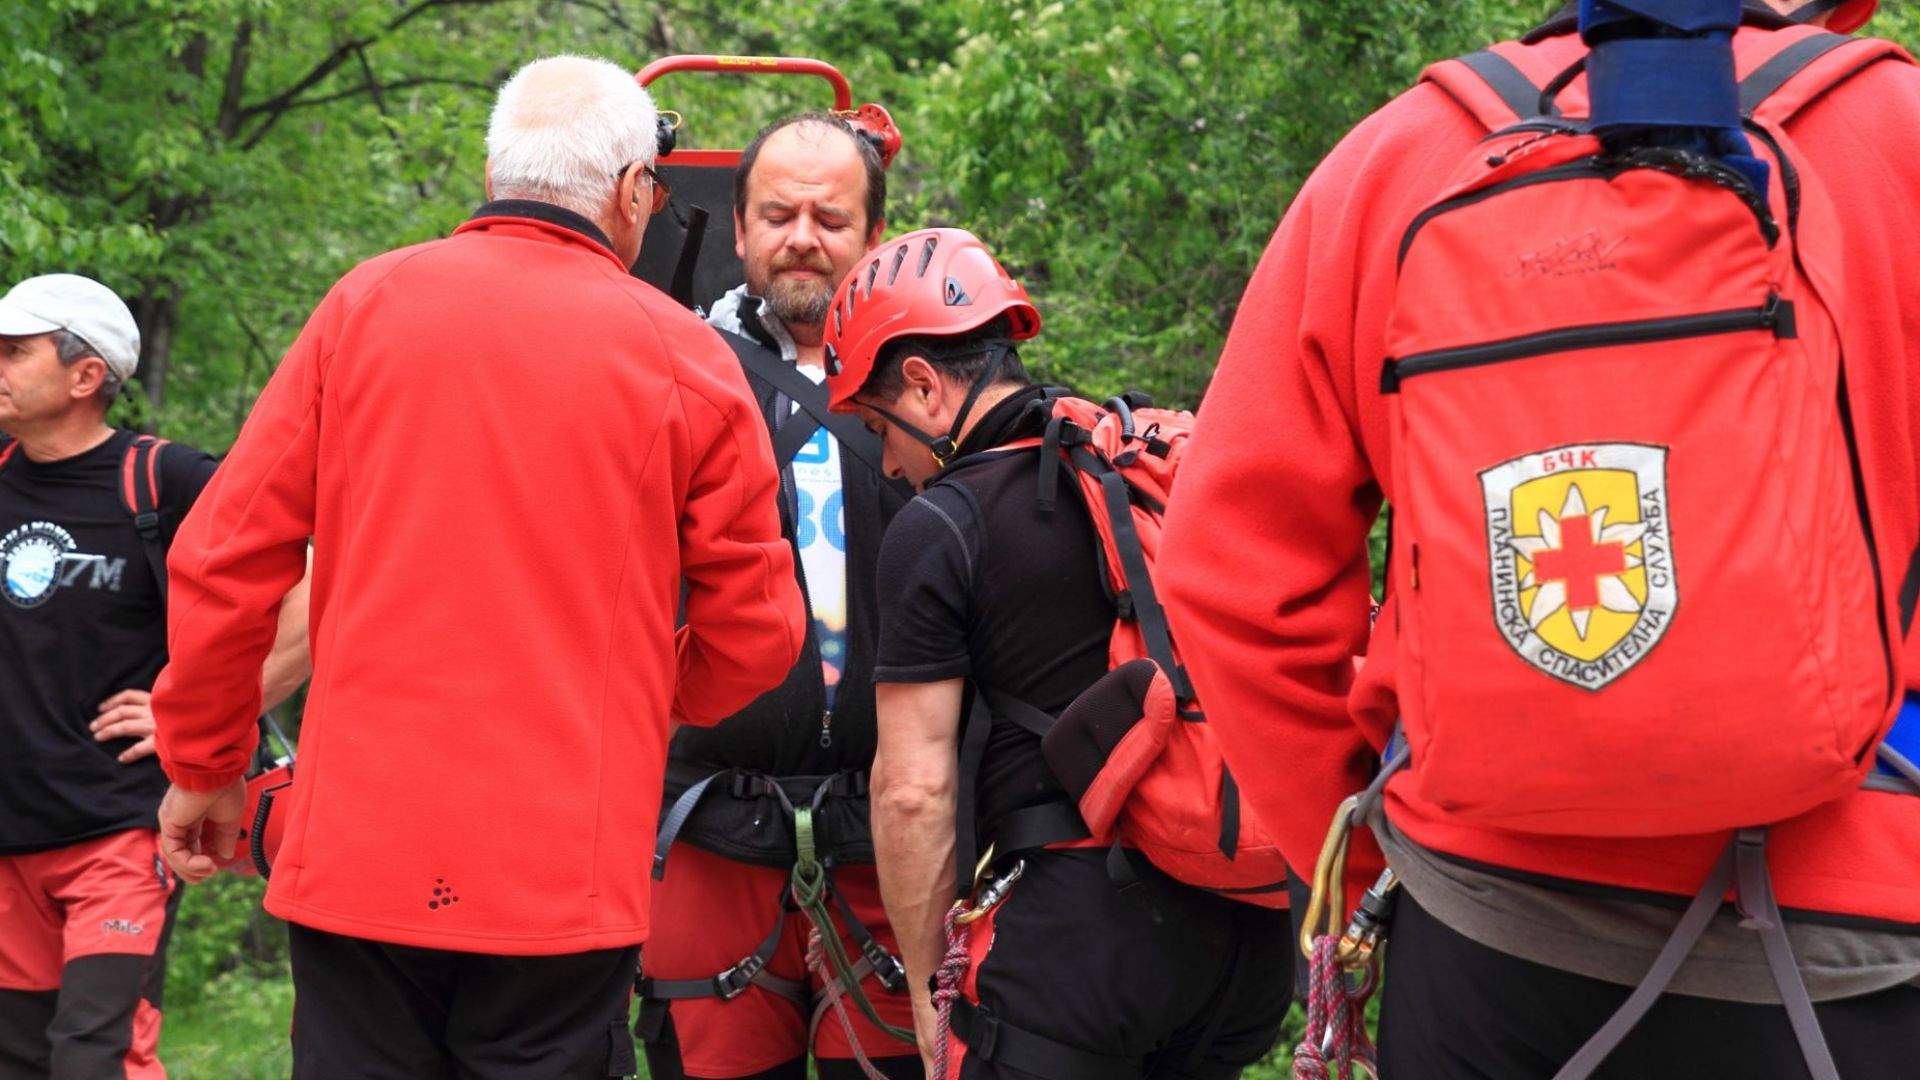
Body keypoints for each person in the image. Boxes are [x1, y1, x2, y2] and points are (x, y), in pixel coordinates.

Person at [1159, 2, 1920, 1077]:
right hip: (1861, 933)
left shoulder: (1403, 155)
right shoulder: (1899, 129)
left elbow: (1226, 574)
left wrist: (1380, 848)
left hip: (1486, 931)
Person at [147, 54, 805, 1079]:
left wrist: (204, 761)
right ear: (635, 192)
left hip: (358, 858)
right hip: (561, 877)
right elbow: (758, 634)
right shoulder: (686, 358)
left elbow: (224, 559)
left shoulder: (363, 308)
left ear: (495, 168)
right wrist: (636, 695)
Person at [826, 227, 1292, 1079]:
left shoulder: (940, 525)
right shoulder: (1132, 463)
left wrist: (934, 999)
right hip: (1247, 946)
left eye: (876, 424)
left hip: (1073, 960)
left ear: (924, 387)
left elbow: (911, 791)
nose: (889, 465)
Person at [639, 113, 923, 1080]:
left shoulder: (936, 384)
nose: (803, 235)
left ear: (873, 236)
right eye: (778, 214)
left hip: (889, 829)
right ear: (743, 230)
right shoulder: (666, 369)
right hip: (708, 821)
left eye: (830, 218)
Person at [0, 272, 306, 1079]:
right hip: (9, 838)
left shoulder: (165, 481)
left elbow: (313, 595)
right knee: (20, 1060)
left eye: (12, 351)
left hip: (120, 828)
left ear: (85, 375)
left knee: (92, 1056)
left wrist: (194, 713)